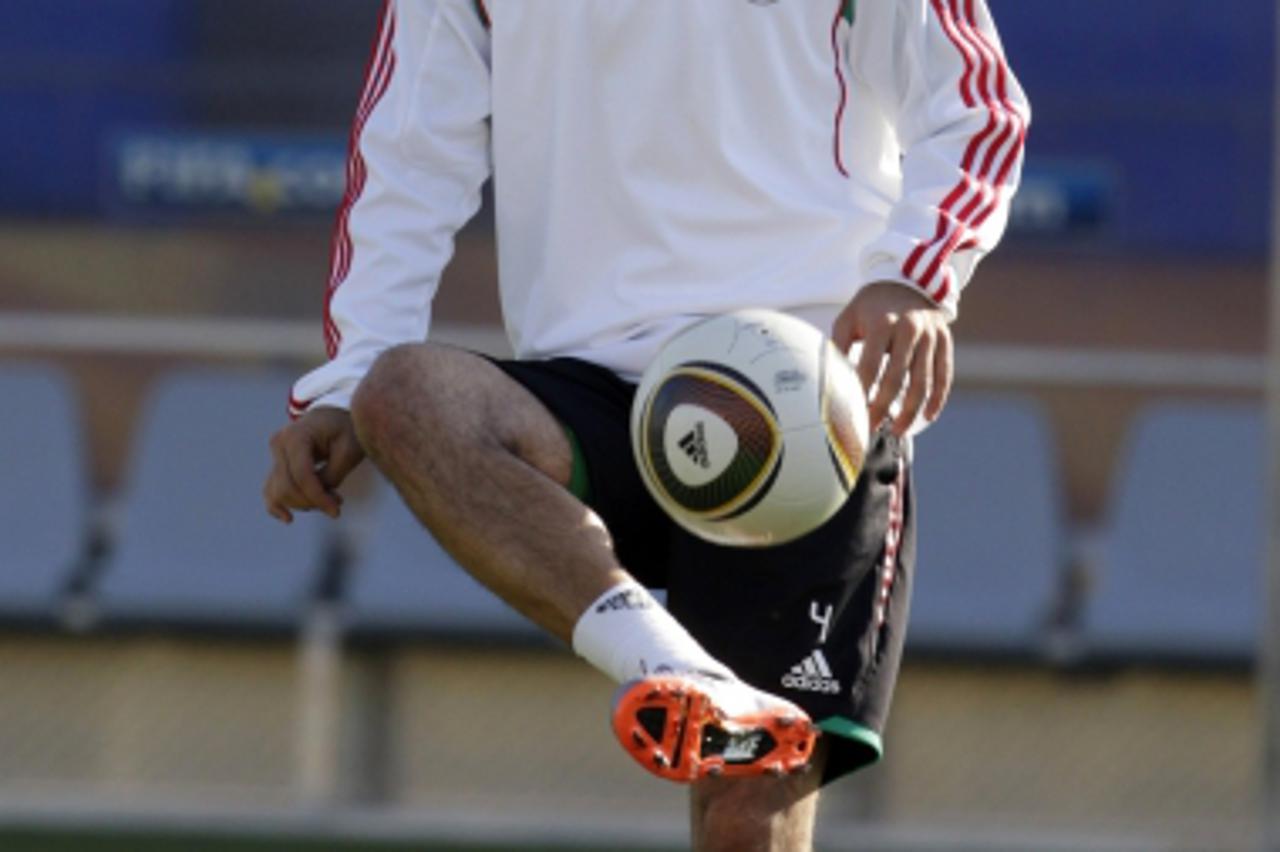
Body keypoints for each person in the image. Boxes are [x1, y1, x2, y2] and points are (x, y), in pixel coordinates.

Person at [263, 1, 1028, 848]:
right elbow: (406, 155)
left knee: (745, 809)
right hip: (590, 391)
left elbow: (976, 104)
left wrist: (916, 275)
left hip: (801, 397)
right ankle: (672, 669)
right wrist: (346, 377)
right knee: (403, 392)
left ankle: (716, 707)